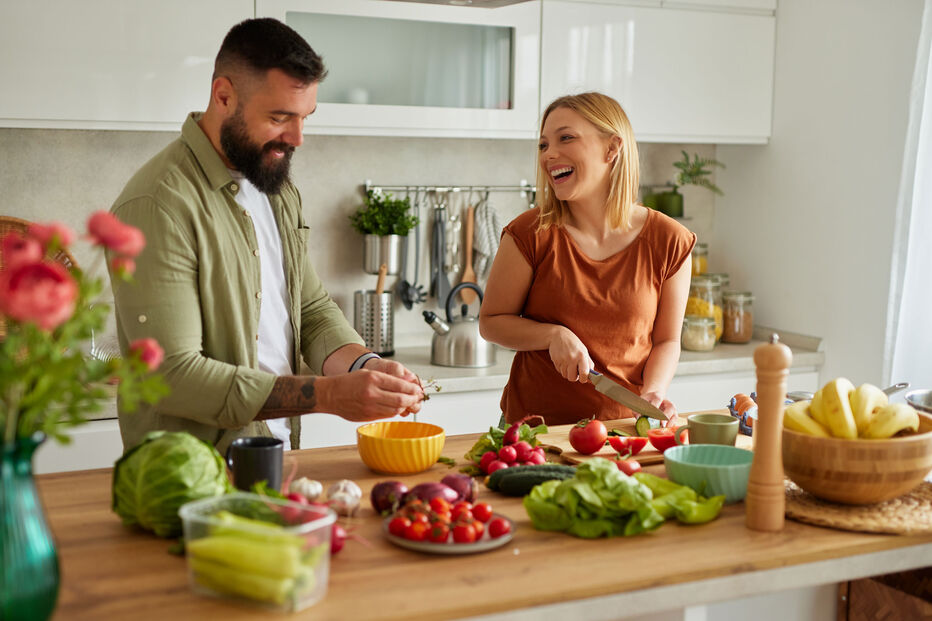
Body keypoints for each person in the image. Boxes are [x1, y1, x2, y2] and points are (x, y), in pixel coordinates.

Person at [108, 18, 423, 453]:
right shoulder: (157, 204)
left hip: (275, 455)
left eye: (305, 117)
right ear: (223, 96)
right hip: (187, 475)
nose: (297, 137)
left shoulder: (274, 185)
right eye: (279, 117)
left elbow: (308, 309)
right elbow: (173, 375)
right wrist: (329, 395)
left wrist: (366, 365)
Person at [478, 92, 695, 427]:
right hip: (534, 434)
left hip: (622, 430)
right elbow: (492, 321)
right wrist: (551, 335)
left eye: (566, 138)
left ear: (612, 148)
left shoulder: (669, 240)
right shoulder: (529, 233)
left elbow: (667, 340)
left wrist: (653, 392)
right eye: (543, 145)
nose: (550, 154)